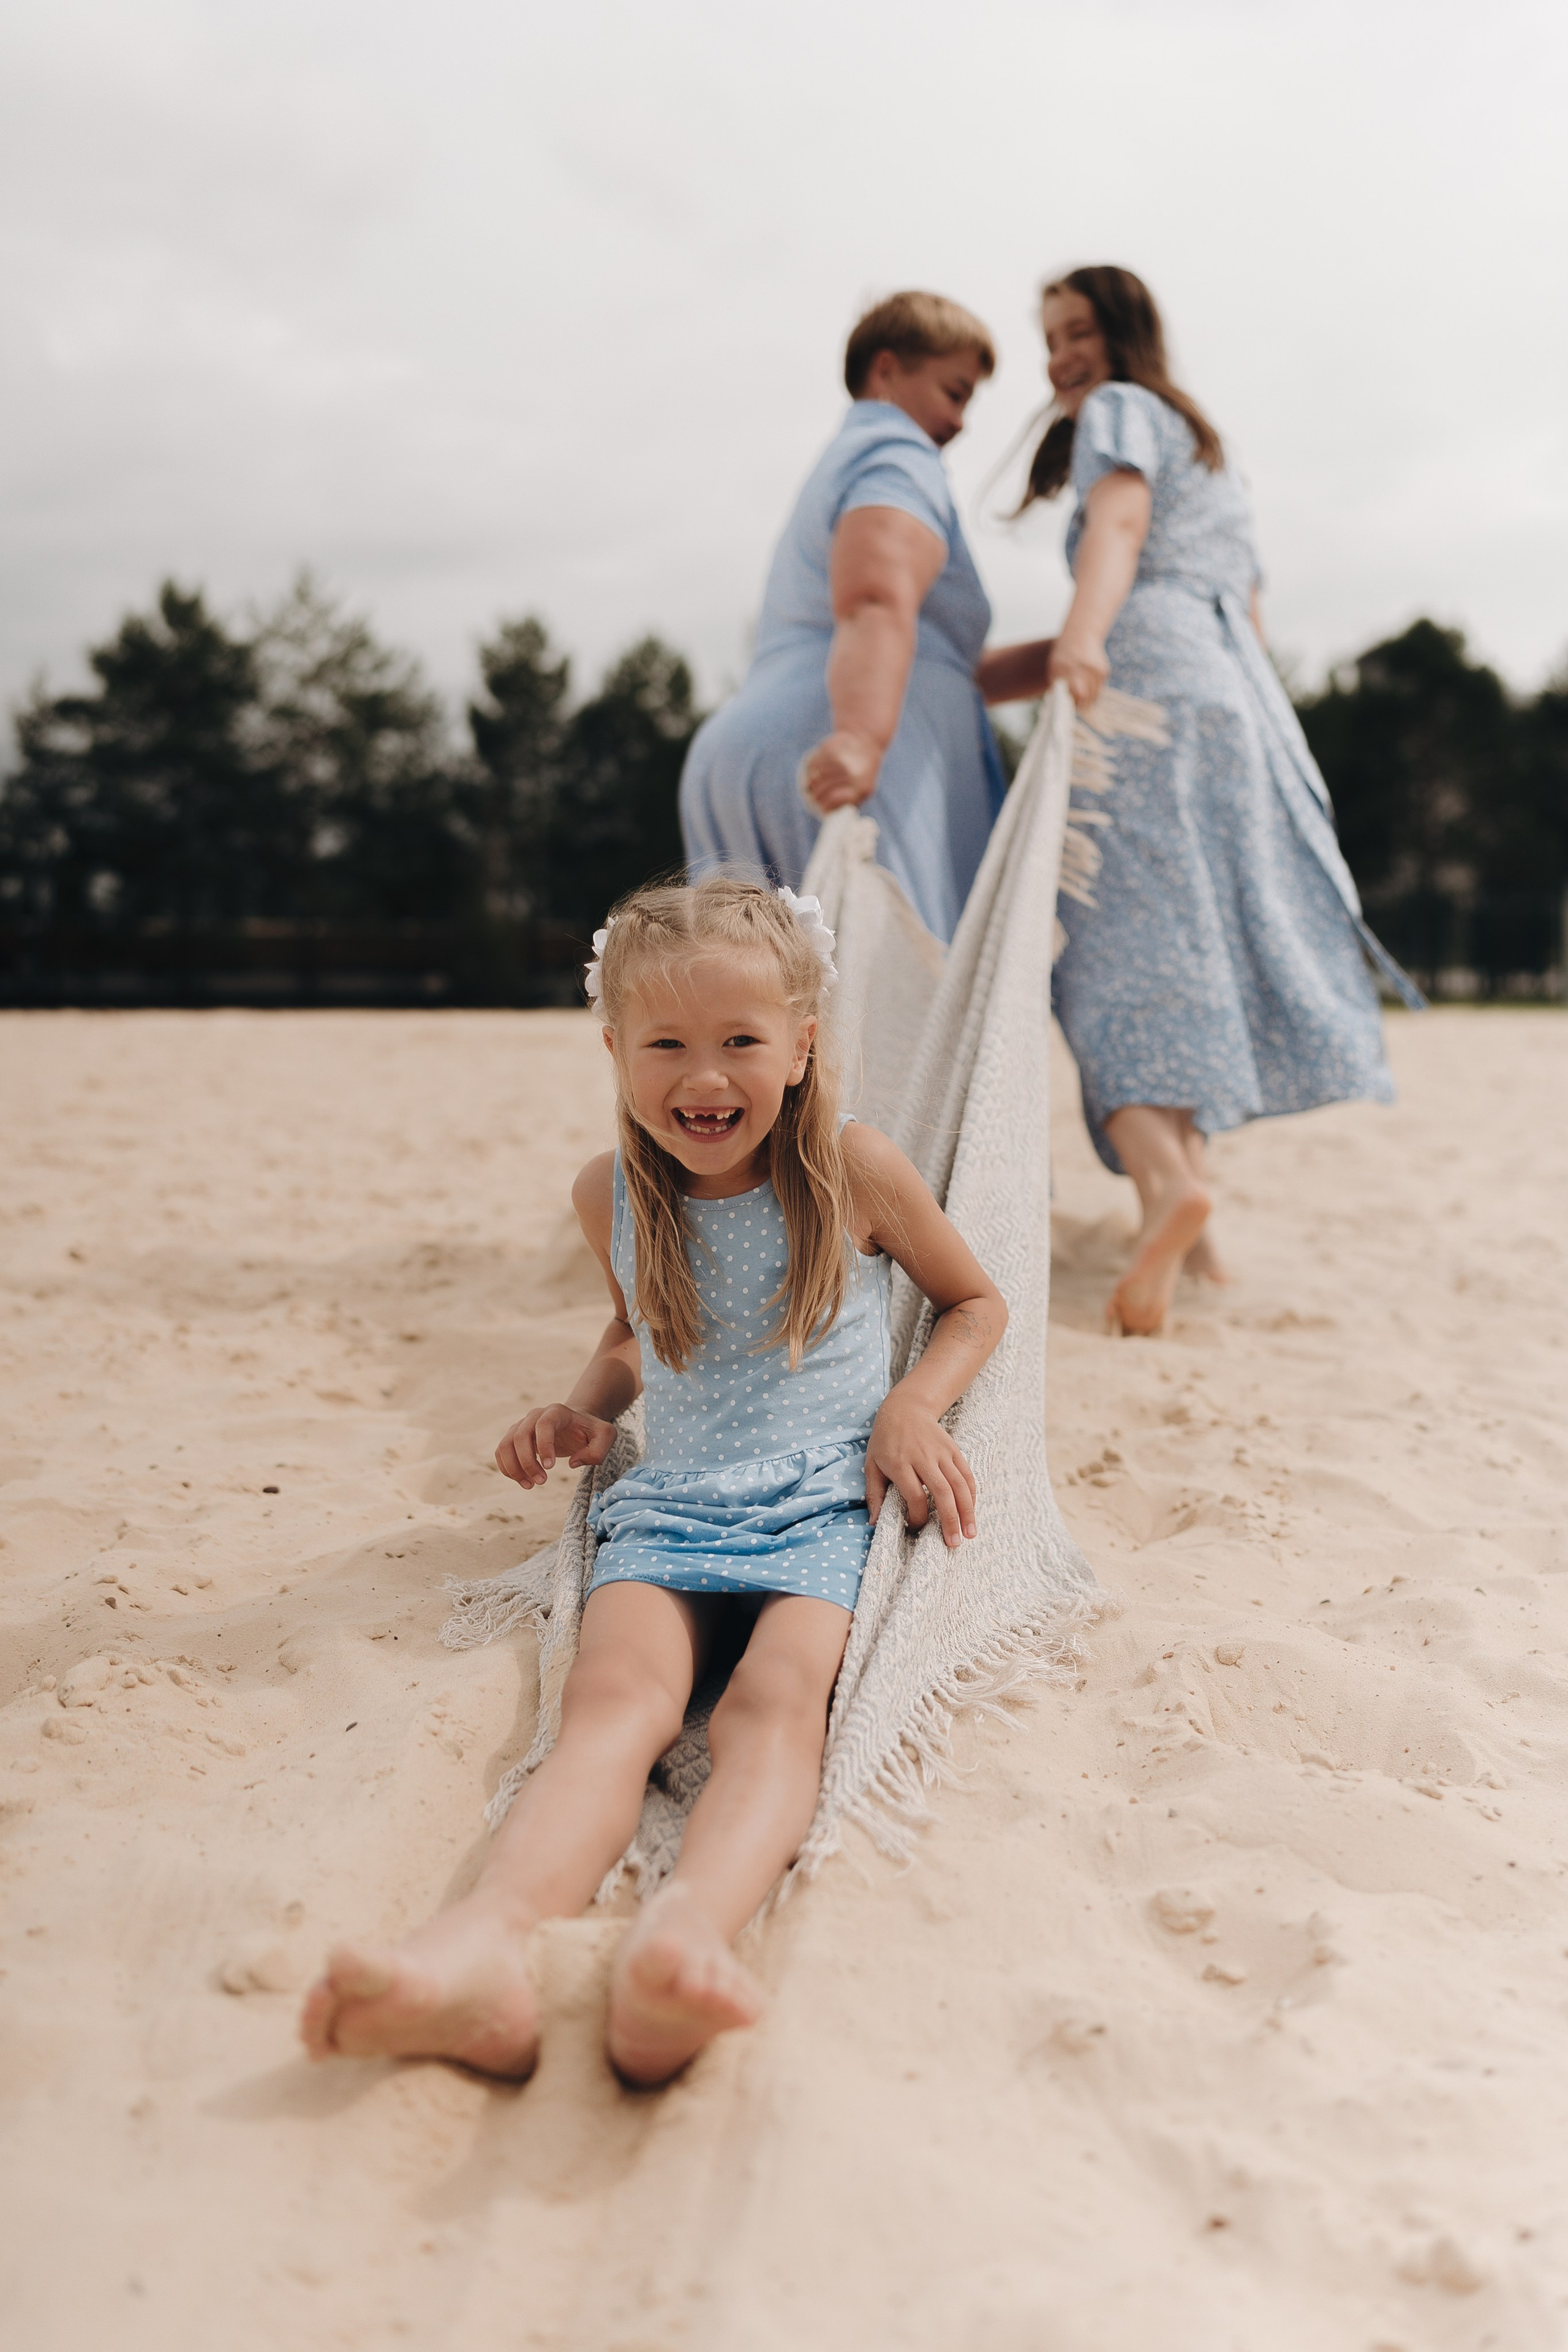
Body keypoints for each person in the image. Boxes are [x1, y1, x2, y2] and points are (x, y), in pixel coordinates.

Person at [300, 876, 1006, 2086]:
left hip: (822, 1503)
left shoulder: (852, 1169)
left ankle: (678, 1941)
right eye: (666, 1044)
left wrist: (909, 1402)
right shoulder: (612, 1194)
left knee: (768, 1710)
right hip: (671, 1503)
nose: (705, 1076)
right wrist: (583, 1412)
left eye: (740, 1041)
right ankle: (482, 1949)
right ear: (615, 1048)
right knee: (613, 1709)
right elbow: (639, 1334)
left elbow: (976, 1302)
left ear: (801, 1047)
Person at [1026, 265, 1420, 1336]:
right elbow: (1239, 602)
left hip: (1143, 693)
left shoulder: (1120, 413)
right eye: (1049, 338)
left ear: (1120, 336)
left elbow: (1115, 525)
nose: (1057, 357)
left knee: (1098, 960)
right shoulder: (1216, 451)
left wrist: (1082, 637)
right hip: (1232, 705)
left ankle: (1168, 1185)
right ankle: (1203, 1251)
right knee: (1180, 955)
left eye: (1073, 333)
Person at [680, 292, 1055, 944]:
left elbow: (939, 663)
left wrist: (1078, 652)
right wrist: (860, 735)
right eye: (955, 391)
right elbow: (875, 599)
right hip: (844, 758)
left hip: (759, 747)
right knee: (883, 1016)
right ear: (886, 370)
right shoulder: (898, 455)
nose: (961, 421)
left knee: (758, 1020)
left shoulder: (842, 461)